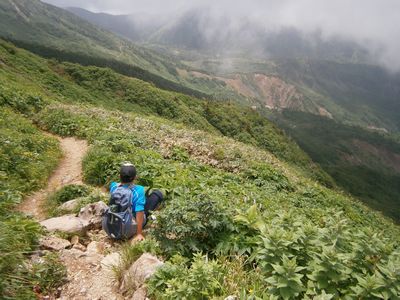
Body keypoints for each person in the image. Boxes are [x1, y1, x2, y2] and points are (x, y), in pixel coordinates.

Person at [109, 163, 163, 242]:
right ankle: (140, 228)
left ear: (119, 176)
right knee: (156, 194)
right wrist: (139, 233)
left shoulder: (113, 186)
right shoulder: (139, 190)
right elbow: (139, 212)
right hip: (128, 229)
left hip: (113, 227)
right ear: (135, 177)